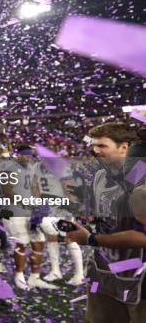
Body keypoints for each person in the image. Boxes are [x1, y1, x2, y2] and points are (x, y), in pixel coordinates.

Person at [67, 123, 145, 323]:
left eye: (102, 146)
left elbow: (141, 237)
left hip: (138, 277)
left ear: (124, 147)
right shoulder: (101, 175)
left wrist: (90, 238)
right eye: (94, 145)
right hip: (102, 272)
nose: (95, 151)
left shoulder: (141, 180)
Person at [0, 145, 56, 290]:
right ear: (18, 155)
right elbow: (6, 190)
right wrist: (27, 202)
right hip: (14, 210)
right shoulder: (9, 166)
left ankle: (34, 277)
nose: (28, 157)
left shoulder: (31, 168)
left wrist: (39, 203)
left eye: (30, 155)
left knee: (38, 241)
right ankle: (19, 276)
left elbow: (35, 187)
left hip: (30, 210)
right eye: (25, 155)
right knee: (22, 243)